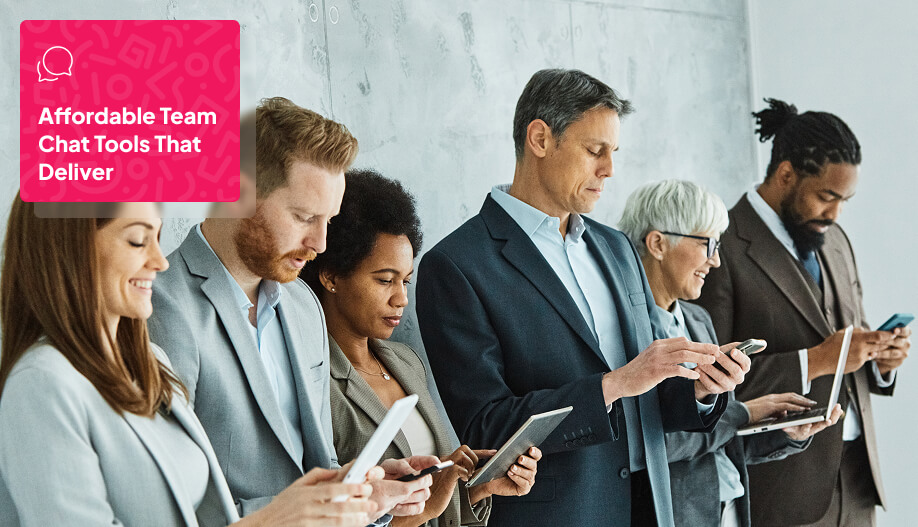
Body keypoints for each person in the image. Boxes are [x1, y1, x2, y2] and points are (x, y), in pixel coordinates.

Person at [414, 68, 745, 527]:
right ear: (540, 139)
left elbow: (646, 394)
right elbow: (485, 426)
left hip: (653, 511)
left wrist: (702, 389)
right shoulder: (456, 266)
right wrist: (613, 385)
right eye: (595, 151)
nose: (609, 169)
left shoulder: (617, 248)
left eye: (613, 153)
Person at [0, 198, 380, 526]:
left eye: (157, 238)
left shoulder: (151, 362)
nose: (159, 261)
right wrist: (273, 520)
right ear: (72, 250)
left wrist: (322, 499)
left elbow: (204, 515)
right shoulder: (41, 385)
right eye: (137, 241)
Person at [148, 97, 437, 524]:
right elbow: (163, 502)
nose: (320, 243)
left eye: (328, 221)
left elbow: (309, 469)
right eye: (304, 216)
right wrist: (292, 513)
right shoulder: (159, 308)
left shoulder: (303, 304)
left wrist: (363, 492)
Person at [695, 99, 911, 526]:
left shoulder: (834, 239)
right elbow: (707, 383)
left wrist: (882, 360)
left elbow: (853, 333)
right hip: (782, 489)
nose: (835, 213)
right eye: (826, 197)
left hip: (857, 481)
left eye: (845, 200)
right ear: (786, 174)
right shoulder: (722, 246)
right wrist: (816, 361)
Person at [301, 168, 543, 527]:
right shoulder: (314, 383)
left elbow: (435, 503)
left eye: (405, 280)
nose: (401, 299)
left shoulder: (406, 362)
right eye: (385, 280)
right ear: (331, 276)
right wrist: (426, 509)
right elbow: (327, 518)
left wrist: (475, 487)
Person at [619, 179, 843, 527]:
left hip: (732, 509)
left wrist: (783, 431)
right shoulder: (623, 334)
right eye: (707, 244)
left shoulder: (698, 319)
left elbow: (721, 443)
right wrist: (742, 414)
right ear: (658, 243)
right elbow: (646, 446)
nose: (716, 261)